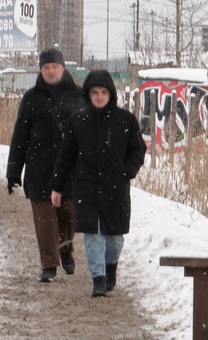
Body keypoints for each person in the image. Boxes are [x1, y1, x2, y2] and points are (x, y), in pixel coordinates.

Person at [51, 69, 143, 298]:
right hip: (86, 186)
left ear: (110, 94)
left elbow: (138, 151)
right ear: (88, 94)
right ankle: (98, 279)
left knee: (114, 239)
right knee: (92, 235)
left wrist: (126, 173)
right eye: (95, 92)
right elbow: (66, 156)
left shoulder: (126, 121)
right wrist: (57, 186)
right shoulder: (78, 121)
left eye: (103, 92)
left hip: (116, 187)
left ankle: (110, 267)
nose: (99, 96)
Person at [6, 48, 87, 282]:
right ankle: (49, 265)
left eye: (55, 67)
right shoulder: (31, 98)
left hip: (70, 171)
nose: (51, 71)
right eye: (46, 68)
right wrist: (13, 172)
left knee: (68, 216)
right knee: (44, 219)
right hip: (39, 170)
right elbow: (19, 137)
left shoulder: (79, 96)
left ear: (63, 68)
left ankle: (66, 249)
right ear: (41, 70)